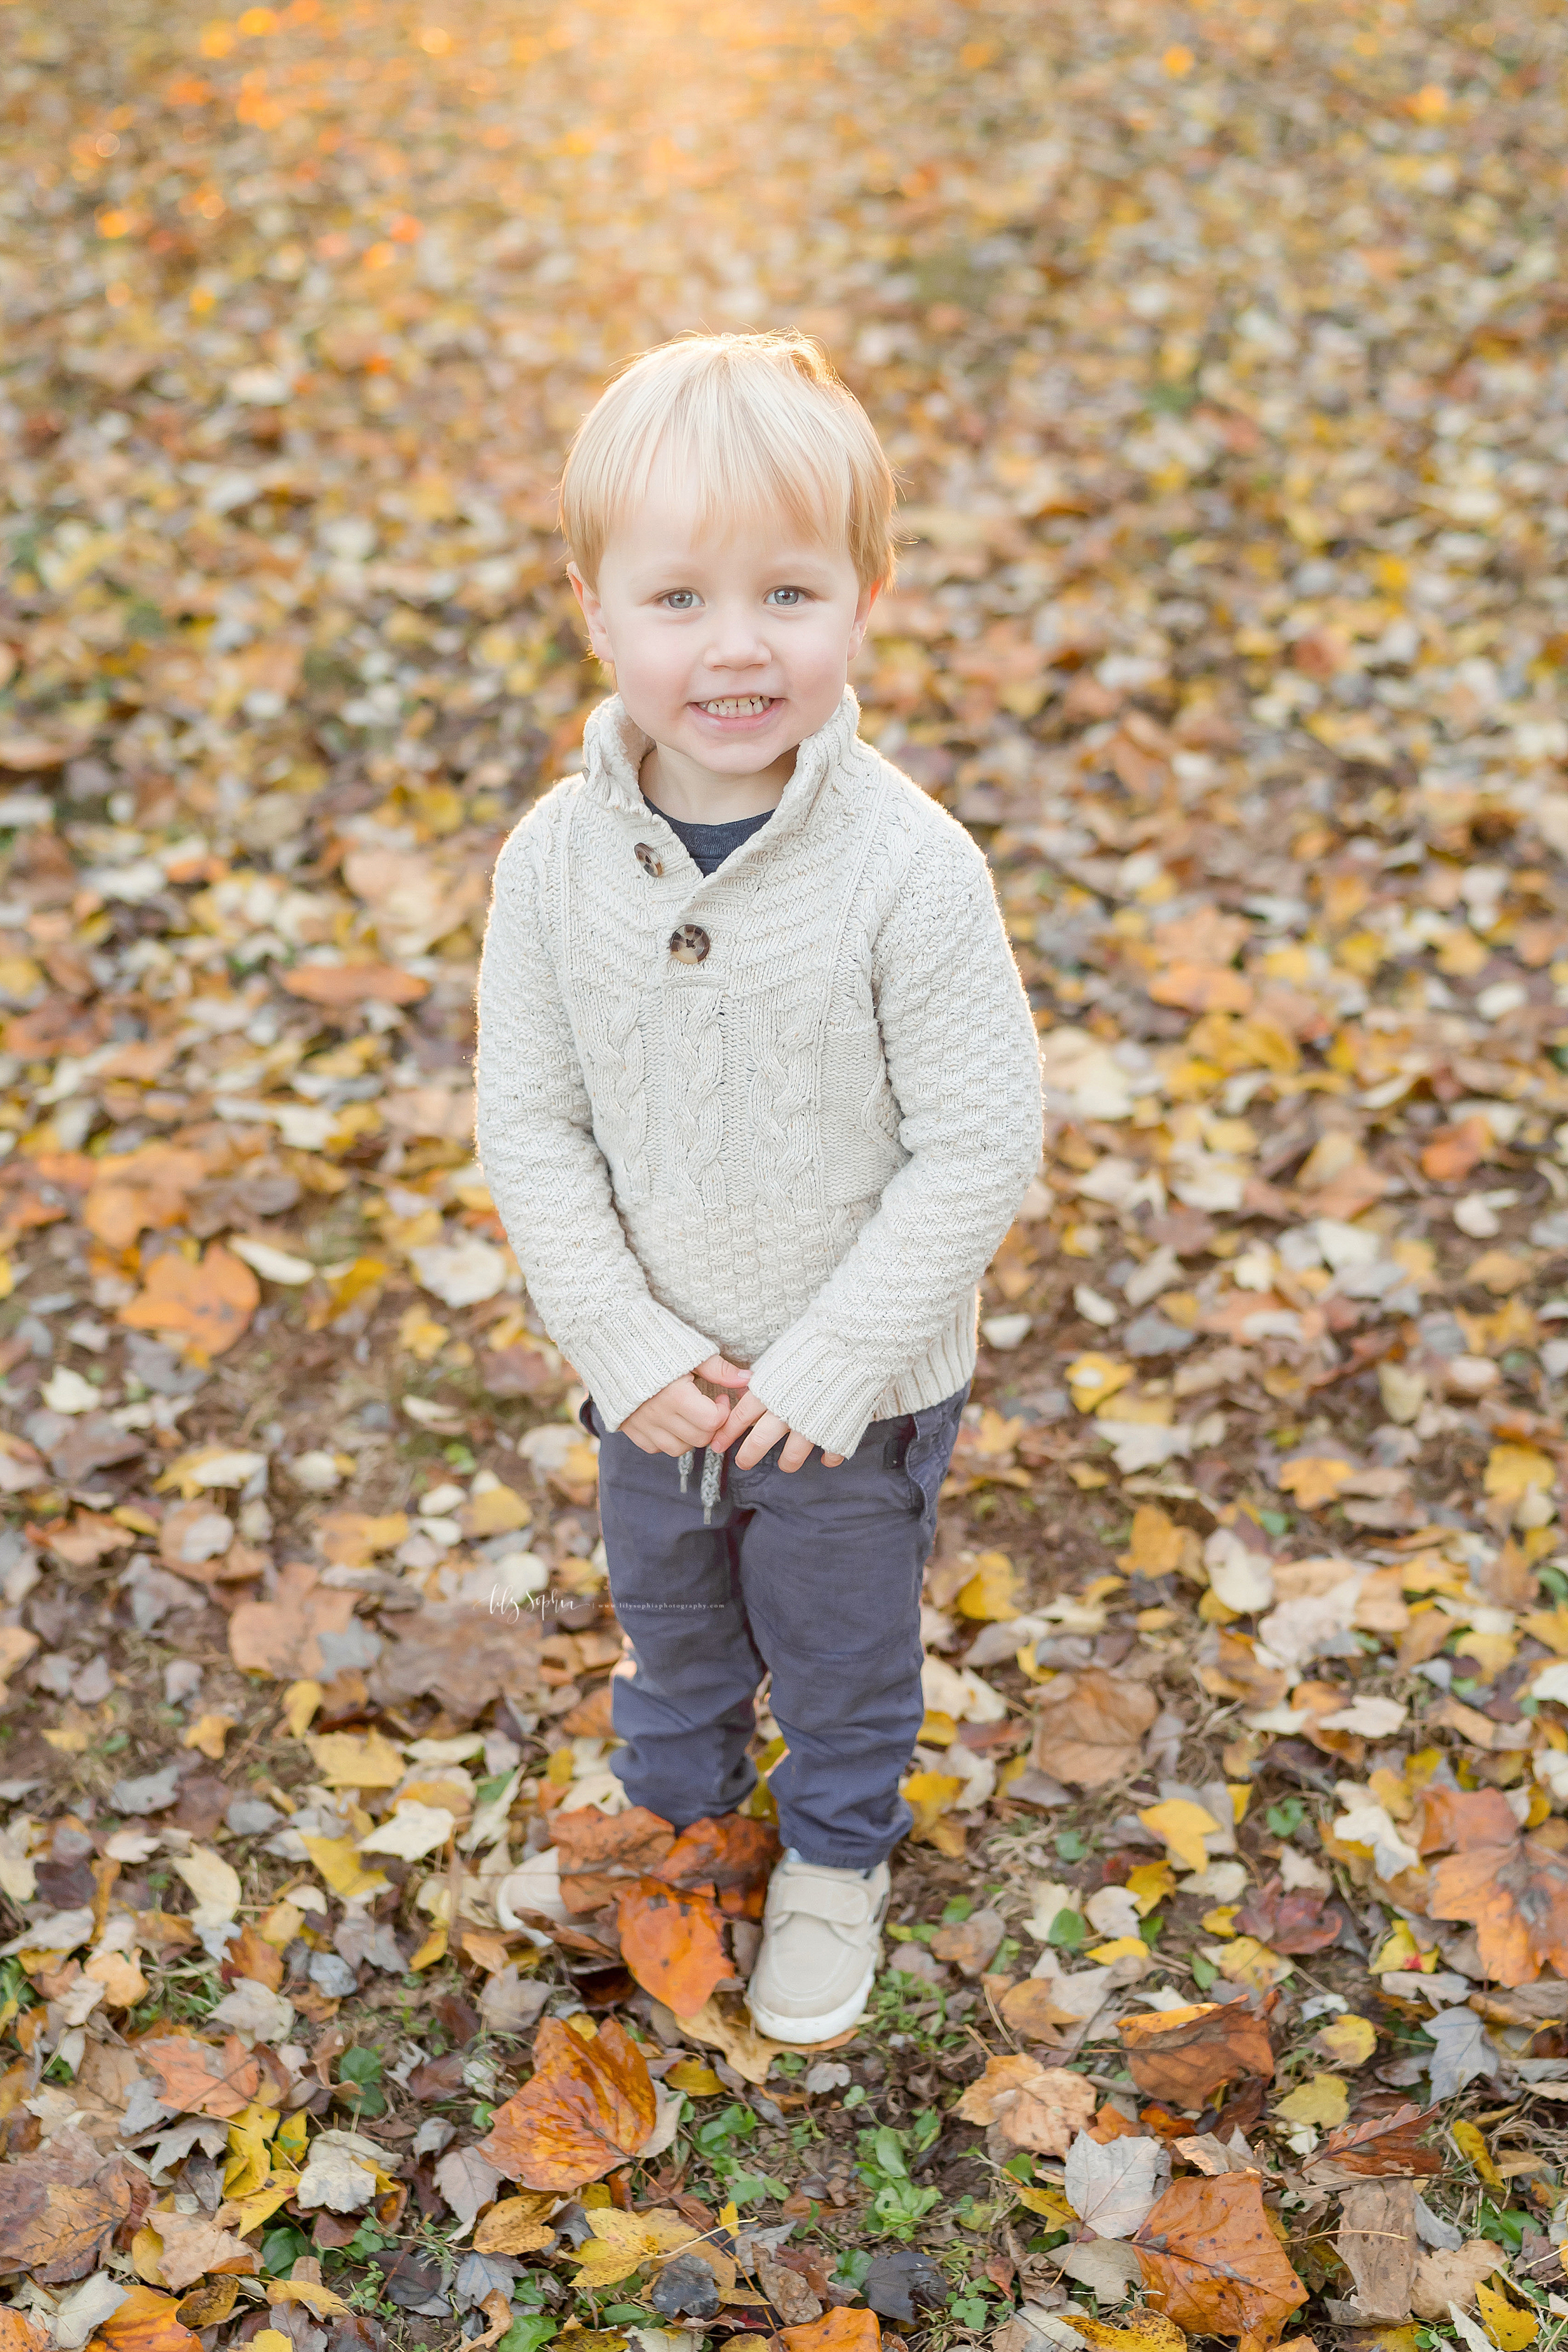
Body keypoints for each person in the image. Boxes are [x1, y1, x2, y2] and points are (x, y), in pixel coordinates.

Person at [475, 331, 1043, 2043]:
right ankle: (677, 1822)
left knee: (842, 1647)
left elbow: (979, 1140)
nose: (735, 647)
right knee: (670, 1627)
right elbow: (533, 1122)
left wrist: (835, 1360)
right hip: (652, 1381)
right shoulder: (552, 861)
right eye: (677, 601)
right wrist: (620, 1338)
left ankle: (830, 1861)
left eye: (788, 593)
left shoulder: (907, 871)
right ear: (595, 610)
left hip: (849, 1400)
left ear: (866, 596)